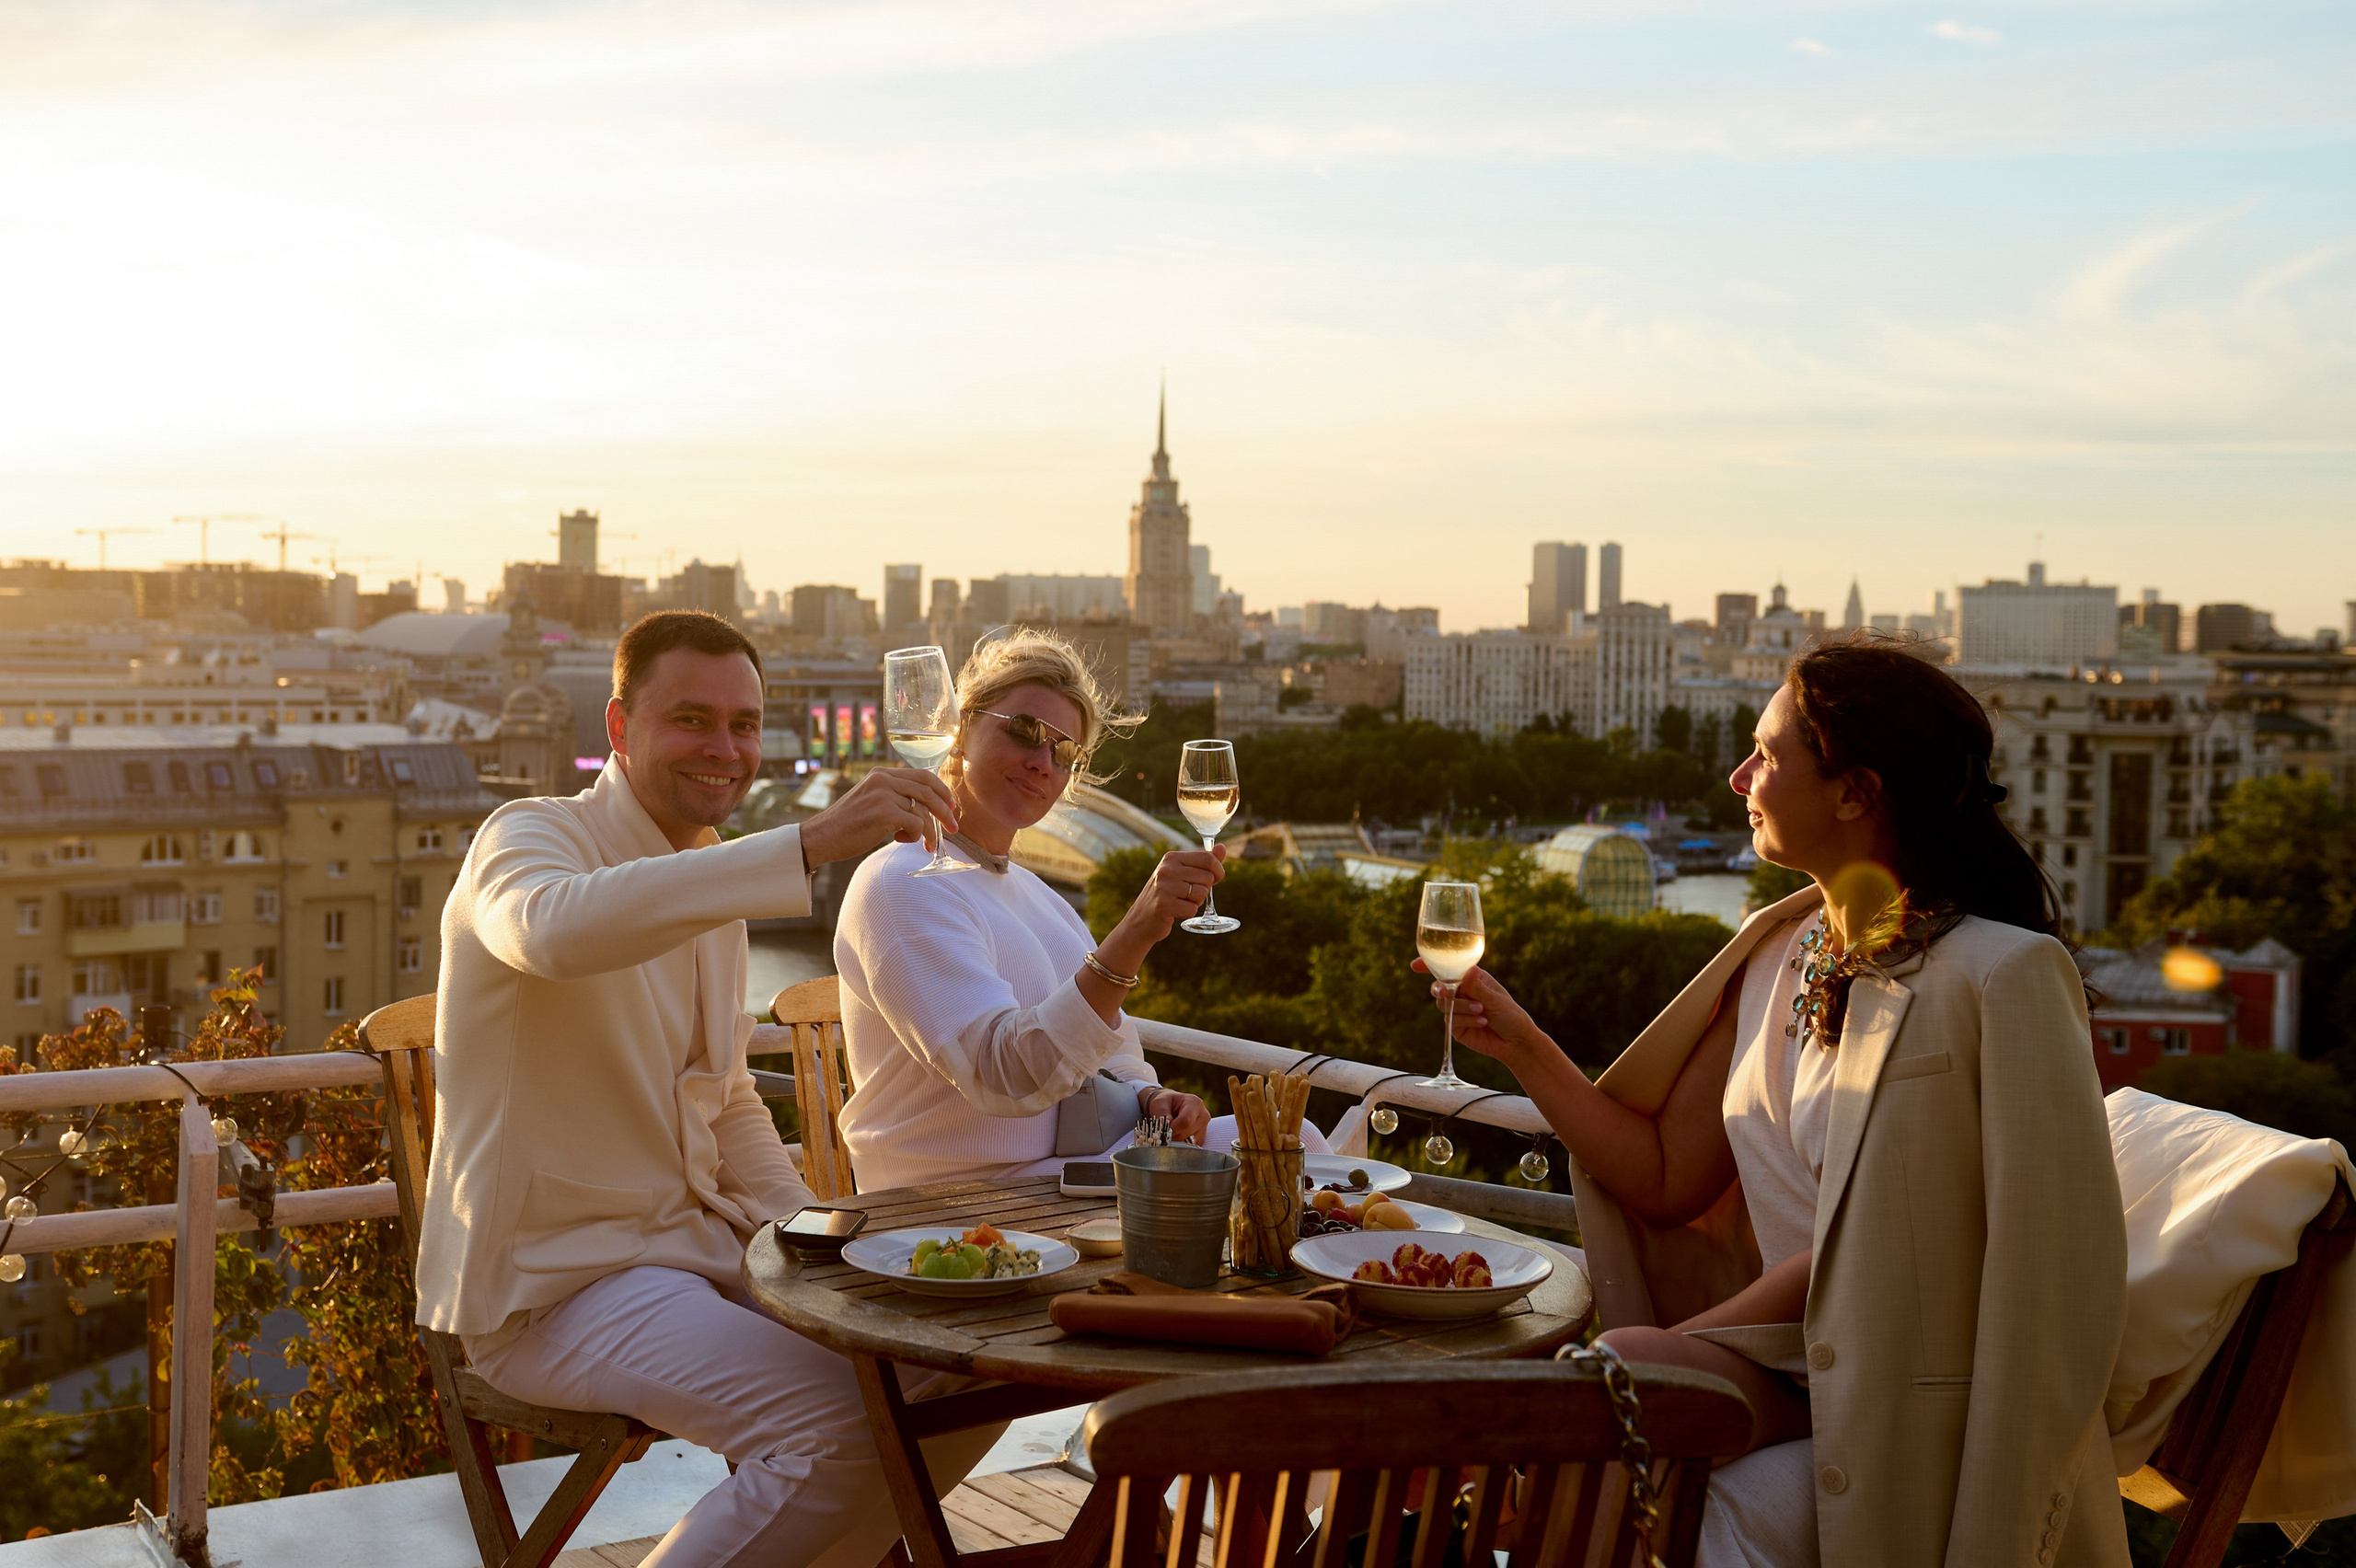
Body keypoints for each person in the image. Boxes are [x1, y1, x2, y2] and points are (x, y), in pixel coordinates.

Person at [1425, 633, 2129, 1566]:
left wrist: (1670, 1340)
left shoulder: (1999, 976)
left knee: (1602, 1386)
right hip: (1782, 1364)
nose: (1736, 775)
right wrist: (1522, 1045)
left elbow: (2045, 1274)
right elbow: (1667, 1177)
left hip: (1893, 1390)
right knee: (1589, 1401)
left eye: (1766, 754)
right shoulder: (1780, 954)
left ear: (1855, 792)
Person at [417, 610, 1000, 1568]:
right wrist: (803, 846)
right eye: (691, 719)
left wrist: (818, 1243)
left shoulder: (711, 881)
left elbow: (725, 1100)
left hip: (690, 1256)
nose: (724, 749)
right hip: (554, 1285)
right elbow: (548, 933)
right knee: (845, 1429)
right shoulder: (526, 837)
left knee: (956, 1375)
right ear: (617, 727)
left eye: (743, 723)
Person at [837, 631, 1235, 1191]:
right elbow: (1004, 1078)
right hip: (956, 1198)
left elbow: (1110, 1045)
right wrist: (1138, 929)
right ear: (959, 730)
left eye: (1063, 751)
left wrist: (1151, 1096)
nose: (1041, 762)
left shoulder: (1038, 898)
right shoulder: (900, 884)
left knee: (1291, 1142)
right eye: (1023, 732)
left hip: (1066, 1172)